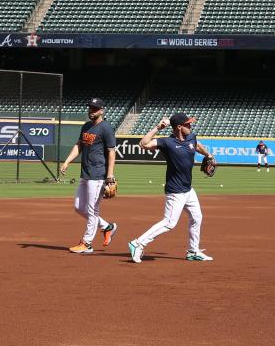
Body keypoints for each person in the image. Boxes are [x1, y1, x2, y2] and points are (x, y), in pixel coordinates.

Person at [128, 113, 215, 263]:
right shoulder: (166, 142)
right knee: (169, 222)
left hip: (188, 189)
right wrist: (158, 127)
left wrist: (208, 154)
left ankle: (193, 251)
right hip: (175, 191)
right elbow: (143, 144)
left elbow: (196, 145)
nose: (190, 125)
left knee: (197, 217)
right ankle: (138, 243)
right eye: (188, 124)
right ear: (179, 127)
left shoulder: (191, 137)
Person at [60, 97, 117, 254]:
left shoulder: (106, 128)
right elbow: (79, 145)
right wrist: (67, 161)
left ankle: (87, 243)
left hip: (98, 174)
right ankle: (107, 226)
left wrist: (110, 176)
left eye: (94, 108)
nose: (91, 111)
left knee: (92, 210)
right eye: (90, 108)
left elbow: (111, 152)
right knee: (79, 207)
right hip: (85, 174)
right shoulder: (86, 126)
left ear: (101, 110)